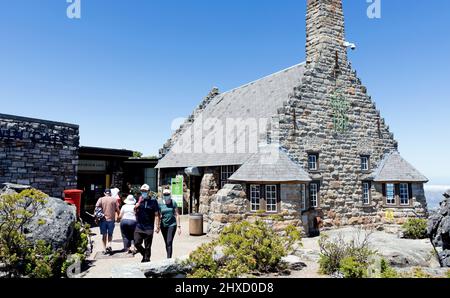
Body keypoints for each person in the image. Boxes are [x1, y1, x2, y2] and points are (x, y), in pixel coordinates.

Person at [134, 184, 160, 263]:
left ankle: (146, 260)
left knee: (148, 246)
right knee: (136, 243)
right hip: (139, 226)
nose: (143, 192)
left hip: (149, 227)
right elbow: (134, 212)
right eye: (142, 191)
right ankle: (144, 254)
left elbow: (156, 215)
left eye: (145, 191)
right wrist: (136, 206)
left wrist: (157, 226)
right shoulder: (138, 199)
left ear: (148, 192)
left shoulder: (153, 201)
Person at [158, 187, 181, 259]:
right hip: (163, 225)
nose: (166, 195)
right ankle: (168, 256)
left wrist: (179, 227)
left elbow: (177, 214)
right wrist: (158, 226)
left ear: (170, 195)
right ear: (163, 195)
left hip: (172, 225)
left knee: (169, 242)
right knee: (166, 242)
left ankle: (169, 259)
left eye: (167, 194)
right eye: (165, 194)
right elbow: (158, 215)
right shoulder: (160, 203)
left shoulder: (173, 202)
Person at [95, 189, 120, 254]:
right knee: (110, 234)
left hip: (103, 219)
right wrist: (118, 217)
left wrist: (96, 219)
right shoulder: (114, 200)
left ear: (104, 193)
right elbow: (117, 209)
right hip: (111, 220)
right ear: (110, 193)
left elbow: (96, 209)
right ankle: (109, 245)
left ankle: (104, 249)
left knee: (104, 235)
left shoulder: (101, 199)